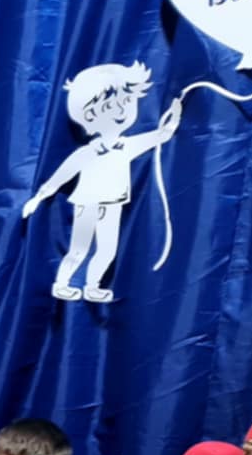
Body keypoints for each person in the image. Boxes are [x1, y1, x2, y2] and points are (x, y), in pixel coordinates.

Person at [21, 61, 181, 303]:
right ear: (89, 115)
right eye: (109, 106)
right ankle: (62, 284)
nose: (120, 112)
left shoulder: (127, 146)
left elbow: (162, 135)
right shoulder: (88, 152)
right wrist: (38, 198)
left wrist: (175, 116)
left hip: (113, 204)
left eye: (126, 103)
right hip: (87, 204)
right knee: (79, 249)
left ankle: (93, 286)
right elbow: (61, 175)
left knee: (107, 250)